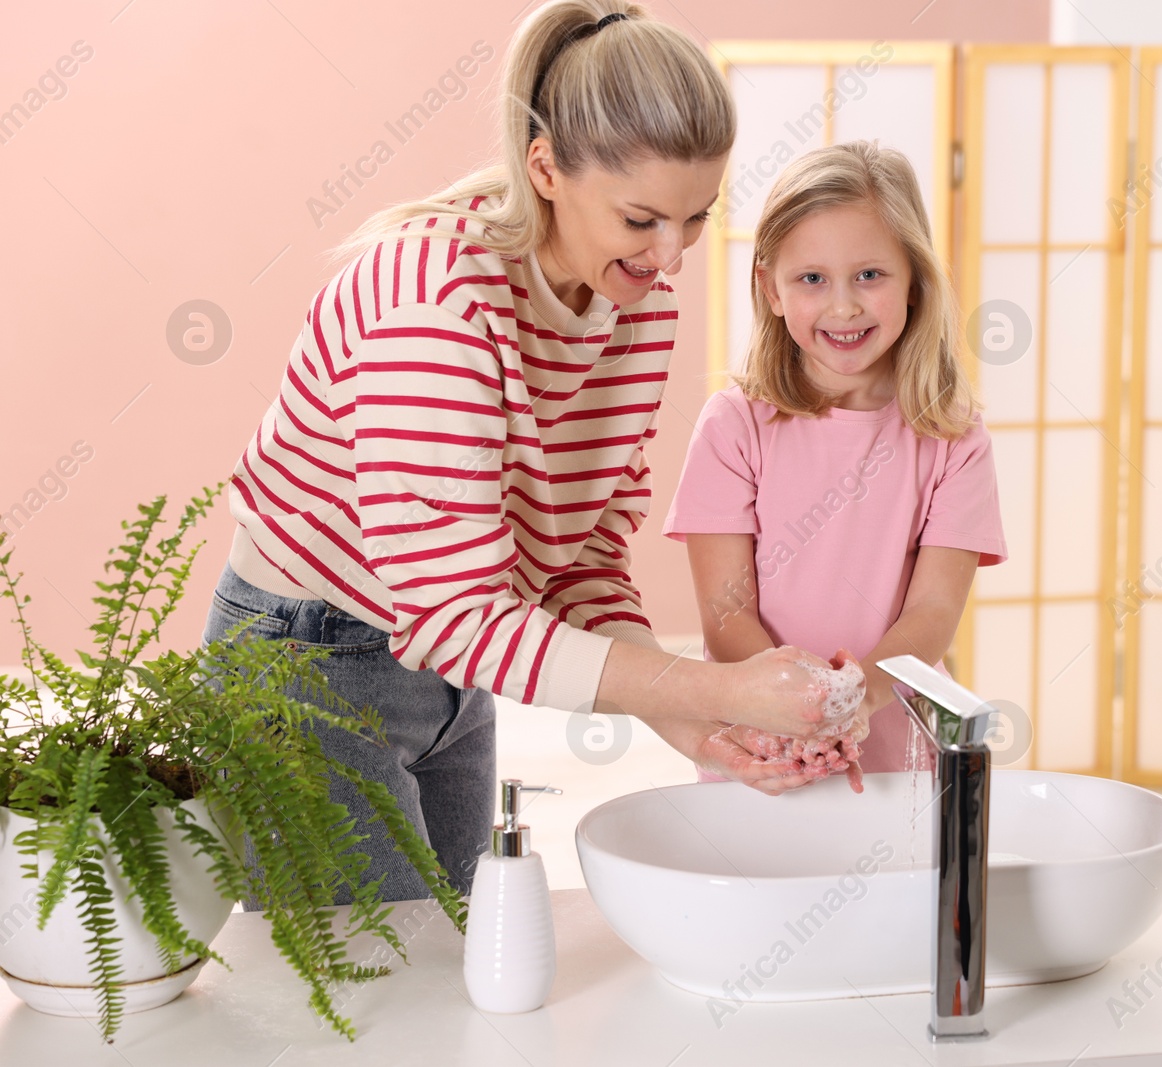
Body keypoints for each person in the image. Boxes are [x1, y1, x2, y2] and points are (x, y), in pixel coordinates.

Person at [204, 1, 844, 907]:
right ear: (545, 168)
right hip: (312, 661)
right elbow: (453, 613)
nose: (671, 257)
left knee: (459, 961)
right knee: (375, 1007)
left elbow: (579, 555)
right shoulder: (437, 305)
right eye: (642, 219)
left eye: (696, 217)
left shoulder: (634, 301)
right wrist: (714, 682)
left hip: (456, 668)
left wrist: (695, 717)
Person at [663, 140, 1007, 784]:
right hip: (762, 745)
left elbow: (932, 612)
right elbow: (727, 613)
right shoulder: (733, 425)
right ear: (771, 288)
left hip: (898, 754)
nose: (843, 306)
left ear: (914, 283)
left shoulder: (955, 436)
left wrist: (854, 704)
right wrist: (794, 713)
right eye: (812, 279)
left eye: (870, 275)